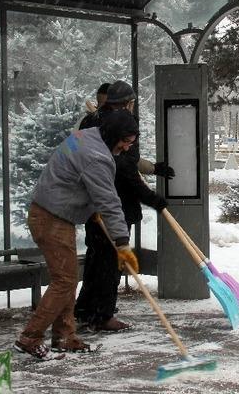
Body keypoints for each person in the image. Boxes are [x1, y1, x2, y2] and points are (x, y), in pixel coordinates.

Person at [14, 109, 140, 359]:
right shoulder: (97, 157)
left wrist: (87, 206)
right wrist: (123, 243)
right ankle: (30, 337)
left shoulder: (84, 136)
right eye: (125, 142)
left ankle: (65, 336)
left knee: (67, 278)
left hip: (53, 212)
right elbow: (109, 201)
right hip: (52, 219)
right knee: (65, 281)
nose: (126, 148)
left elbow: (71, 175)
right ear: (114, 135)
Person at [74, 80, 173, 332]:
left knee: (96, 257)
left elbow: (128, 160)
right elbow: (125, 168)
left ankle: (85, 309)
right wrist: (150, 197)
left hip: (92, 202)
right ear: (128, 103)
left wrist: (153, 169)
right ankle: (103, 314)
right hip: (114, 201)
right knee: (110, 260)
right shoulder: (122, 123)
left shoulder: (90, 121)